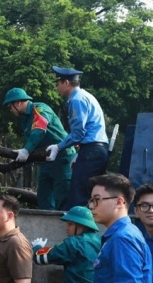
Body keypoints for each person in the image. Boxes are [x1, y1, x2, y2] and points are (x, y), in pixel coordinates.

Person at [46, 66, 109, 210]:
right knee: (90, 196)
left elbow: (78, 134)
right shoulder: (86, 96)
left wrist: (58, 146)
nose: (57, 87)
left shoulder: (77, 100)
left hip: (92, 151)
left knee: (78, 198)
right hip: (94, 150)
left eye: (58, 83)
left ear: (66, 82)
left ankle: (79, 232)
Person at [3, 87, 74, 210]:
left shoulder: (40, 109)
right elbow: (31, 140)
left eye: (10, 106)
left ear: (18, 103)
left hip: (63, 157)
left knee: (63, 196)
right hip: (46, 160)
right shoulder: (24, 119)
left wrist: (26, 150)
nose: (10, 110)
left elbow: (39, 131)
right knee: (44, 198)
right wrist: (22, 159)